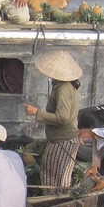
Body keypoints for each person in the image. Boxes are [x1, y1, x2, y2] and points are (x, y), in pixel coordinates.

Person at [24, 50, 82, 192]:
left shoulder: (63, 89)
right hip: (63, 138)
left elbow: (62, 118)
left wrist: (36, 112)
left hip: (62, 140)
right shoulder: (66, 87)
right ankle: (58, 204)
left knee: (52, 177)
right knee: (59, 177)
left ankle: (52, 204)